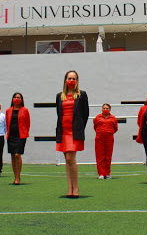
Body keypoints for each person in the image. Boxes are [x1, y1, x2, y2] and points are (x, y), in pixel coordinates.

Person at [56, 70, 89, 198]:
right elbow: (59, 114)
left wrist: (80, 128)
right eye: (69, 78)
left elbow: (85, 114)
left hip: (74, 132)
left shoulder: (82, 95)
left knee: (71, 159)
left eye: (74, 78)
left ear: (77, 81)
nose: (71, 80)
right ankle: (69, 188)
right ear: (65, 80)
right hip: (63, 131)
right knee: (67, 160)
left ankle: (76, 188)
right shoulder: (59, 96)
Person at [5, 92, 31, 185]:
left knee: (17, 155)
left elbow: (27, 123)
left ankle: (18, 176)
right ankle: (15, 176)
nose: (16, 99)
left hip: (21, 135)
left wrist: (24, 132)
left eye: (18, 97)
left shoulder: (25, 110)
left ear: (21, 99)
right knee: (12, 155)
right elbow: (7, 123)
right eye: (15, 97)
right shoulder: (8, 110)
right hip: (11, 135)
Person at [93, 103, 118, 179]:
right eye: (104, 108)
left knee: (108, 156)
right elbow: (95, 127)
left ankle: (107, 174)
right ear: (101, 109)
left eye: (107, 108)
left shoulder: (113, 118)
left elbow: (115, 128)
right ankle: (101, 173)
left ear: (110, 109)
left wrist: (109, 132)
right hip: (99, 138)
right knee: (100, 156)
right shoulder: (97, 117)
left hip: (109, 138)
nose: (105, 109)